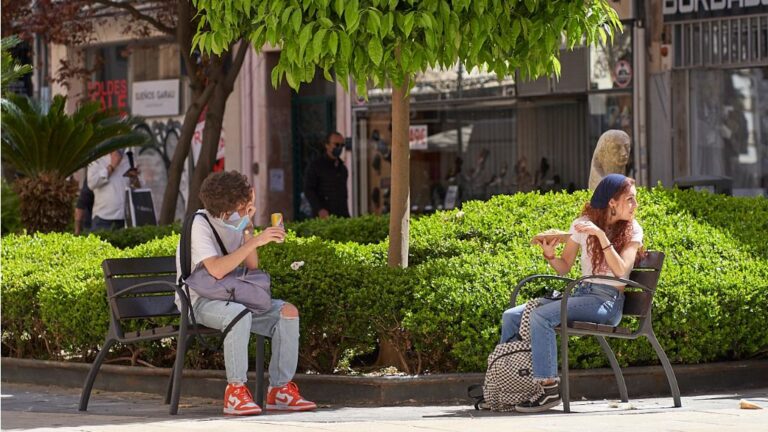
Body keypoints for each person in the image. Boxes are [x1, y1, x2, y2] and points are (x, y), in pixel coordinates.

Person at [176, 171, 316, 416]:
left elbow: (252, 266)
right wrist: (255, 241)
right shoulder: (200, 224)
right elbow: (217, 270)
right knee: (239, 315)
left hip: (232, 298)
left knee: (287, 312)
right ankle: (235, 391)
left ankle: (279, 390)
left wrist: (248, 229)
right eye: (245, 200)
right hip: (199, 302)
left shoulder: (235, 220)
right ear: (233, 202)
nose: (251, 201)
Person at [500, 174, 643, 413]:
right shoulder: (583, 223)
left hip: (606, 302)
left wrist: (601, 235)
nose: (635, 205)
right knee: (511, 316)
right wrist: (550, 255)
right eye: (630, 199)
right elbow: (565, 266)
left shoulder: (633, 230)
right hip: (581, 295)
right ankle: (510, 386)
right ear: (612, 202)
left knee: (541, 317)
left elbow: (621, 272)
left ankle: (548, 390)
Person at [303, 131, 350, 219]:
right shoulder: (316, 166)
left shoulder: (342, 169)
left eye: (342, 145)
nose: (339, 148)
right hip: (324, 216)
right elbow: (308, 189)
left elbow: (343, 194)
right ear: (327, 145)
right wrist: (319, 209)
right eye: (336, 144)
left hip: (341, 215)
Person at [87, 150, 134, 231]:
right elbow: (91, 183)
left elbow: (139, 187)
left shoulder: (129, 158)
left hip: (126, 219)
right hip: (103, 219)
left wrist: (136, 180)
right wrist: (111, 166)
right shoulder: (97, 160)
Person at [74, 170, 94, 235]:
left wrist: (77, 231)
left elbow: (81, 204)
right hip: (92, 222)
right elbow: (81, 203)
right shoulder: (93, 177)